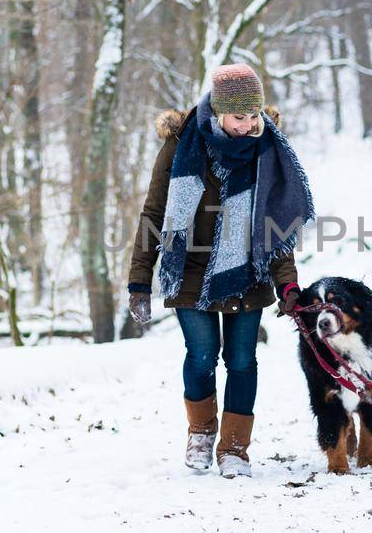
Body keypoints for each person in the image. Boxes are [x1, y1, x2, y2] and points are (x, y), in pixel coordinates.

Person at [125, 63, 314, 478]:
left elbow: (275, 226)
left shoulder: (269, 151)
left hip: (247, 273)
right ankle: (200, 431)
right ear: (218, 110)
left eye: (254, 115)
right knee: (202, 354)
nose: (248, 125)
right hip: (189, 269)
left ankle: (234, 449)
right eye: (239, 116)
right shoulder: (181, 145)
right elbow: (154, 213)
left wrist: (289, 286)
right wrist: (140, 279)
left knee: (243, 360)